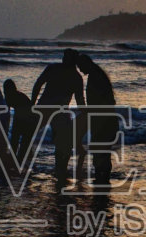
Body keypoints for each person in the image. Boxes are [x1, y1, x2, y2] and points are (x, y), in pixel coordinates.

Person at [30, 48, 85, 184]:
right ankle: (58, 169)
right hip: (52, 110)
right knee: (32, 136)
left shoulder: (59, 71)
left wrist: (33, 104)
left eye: (66, 57)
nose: (64, 59)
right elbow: (80, 101)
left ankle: (59, 170)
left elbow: (38, 84)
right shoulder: (73, 76)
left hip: (51, 109)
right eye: (64, 57)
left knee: (59, 143)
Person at [76, 52, 120, 185]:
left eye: (80, 67)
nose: (80, 70)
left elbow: (98, 104)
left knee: (100, 154)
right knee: (103, 154)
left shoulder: (95, 77)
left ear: (86, 64)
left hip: (103, 122)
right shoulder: (98, 75)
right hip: (108, 121)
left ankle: (102, 182)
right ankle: (103, 181)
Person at [2, 78, 37, 160]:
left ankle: (16, 158)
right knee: (24, 143)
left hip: (28, 119)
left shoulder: (10, 97)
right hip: (31, 119)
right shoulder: (18, 95)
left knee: (18, 140)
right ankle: (22, 158)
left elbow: (6, 113)